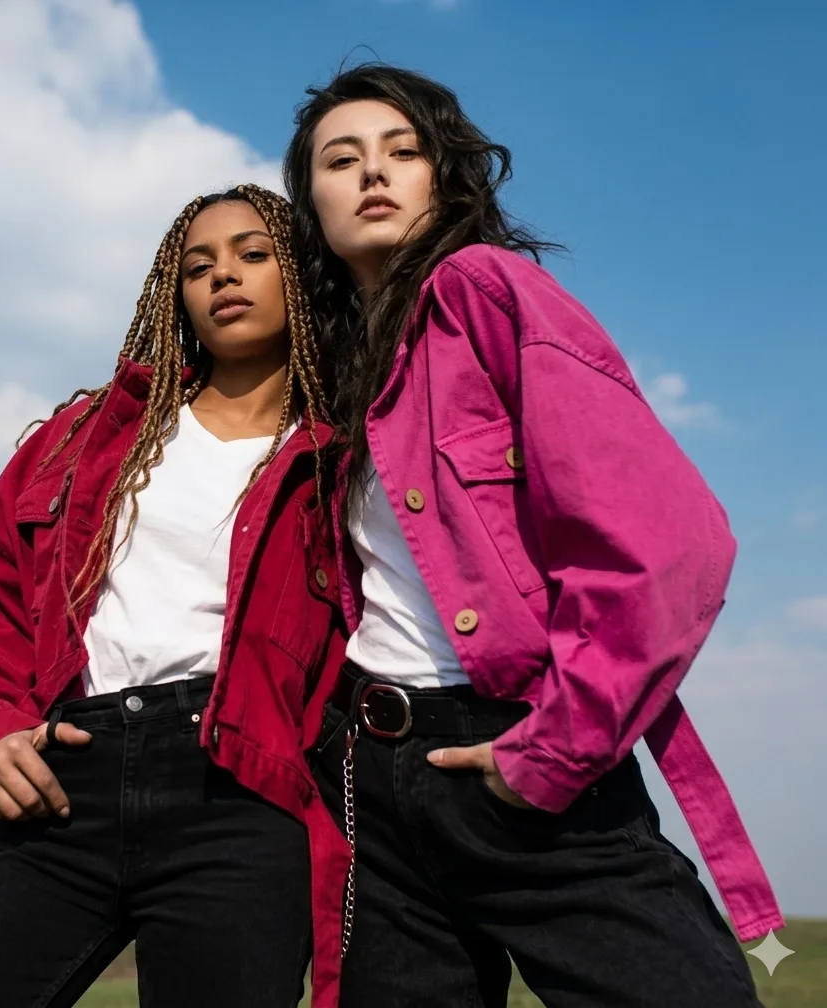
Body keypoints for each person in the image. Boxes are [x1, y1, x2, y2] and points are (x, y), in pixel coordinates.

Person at [283, 64, 784, 1008]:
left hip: (518, 754)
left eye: (404, 151)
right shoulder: (331, 376)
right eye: (340, 160)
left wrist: (550, 751)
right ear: (311, 203)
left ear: (449, 175)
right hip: (370, 788)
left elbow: (673, 543)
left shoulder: (485, 290)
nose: (374, 174)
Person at [0, 185, 352, 1008]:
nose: (223, 276)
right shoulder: (83, 439)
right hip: (67, 784)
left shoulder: (343, 456)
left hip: (240, 796)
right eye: (198, 266)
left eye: (253, 255)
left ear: (303, 275)